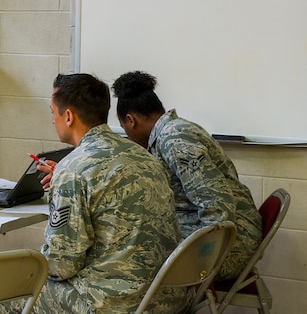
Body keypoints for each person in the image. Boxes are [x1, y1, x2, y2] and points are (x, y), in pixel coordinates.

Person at [0, 73, 189, 314]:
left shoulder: (73, 170)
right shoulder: (145, 157)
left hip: (111, 303)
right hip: (165, 296)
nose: (52, 121)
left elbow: (62, 265)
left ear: (68, 116)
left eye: (53, 112)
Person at [111, 70, 262, 280]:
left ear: (130, 120)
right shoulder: (168, 135)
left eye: (123, 128)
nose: (127, 135)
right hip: (219, 235)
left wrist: (203, 259)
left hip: (230, 246)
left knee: (126, 261)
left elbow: (217, 208)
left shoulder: (174, 138)